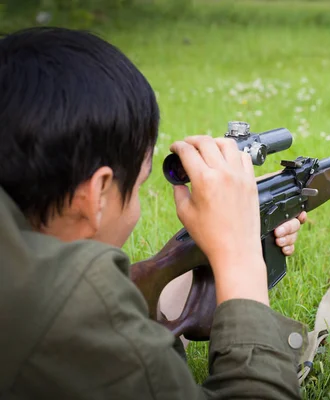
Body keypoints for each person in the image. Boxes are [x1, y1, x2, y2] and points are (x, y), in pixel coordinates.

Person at [0, 26, 309, 399]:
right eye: (141, 184)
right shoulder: (68, 317)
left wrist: (180, 282)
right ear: (96, 193)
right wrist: (239, 256)